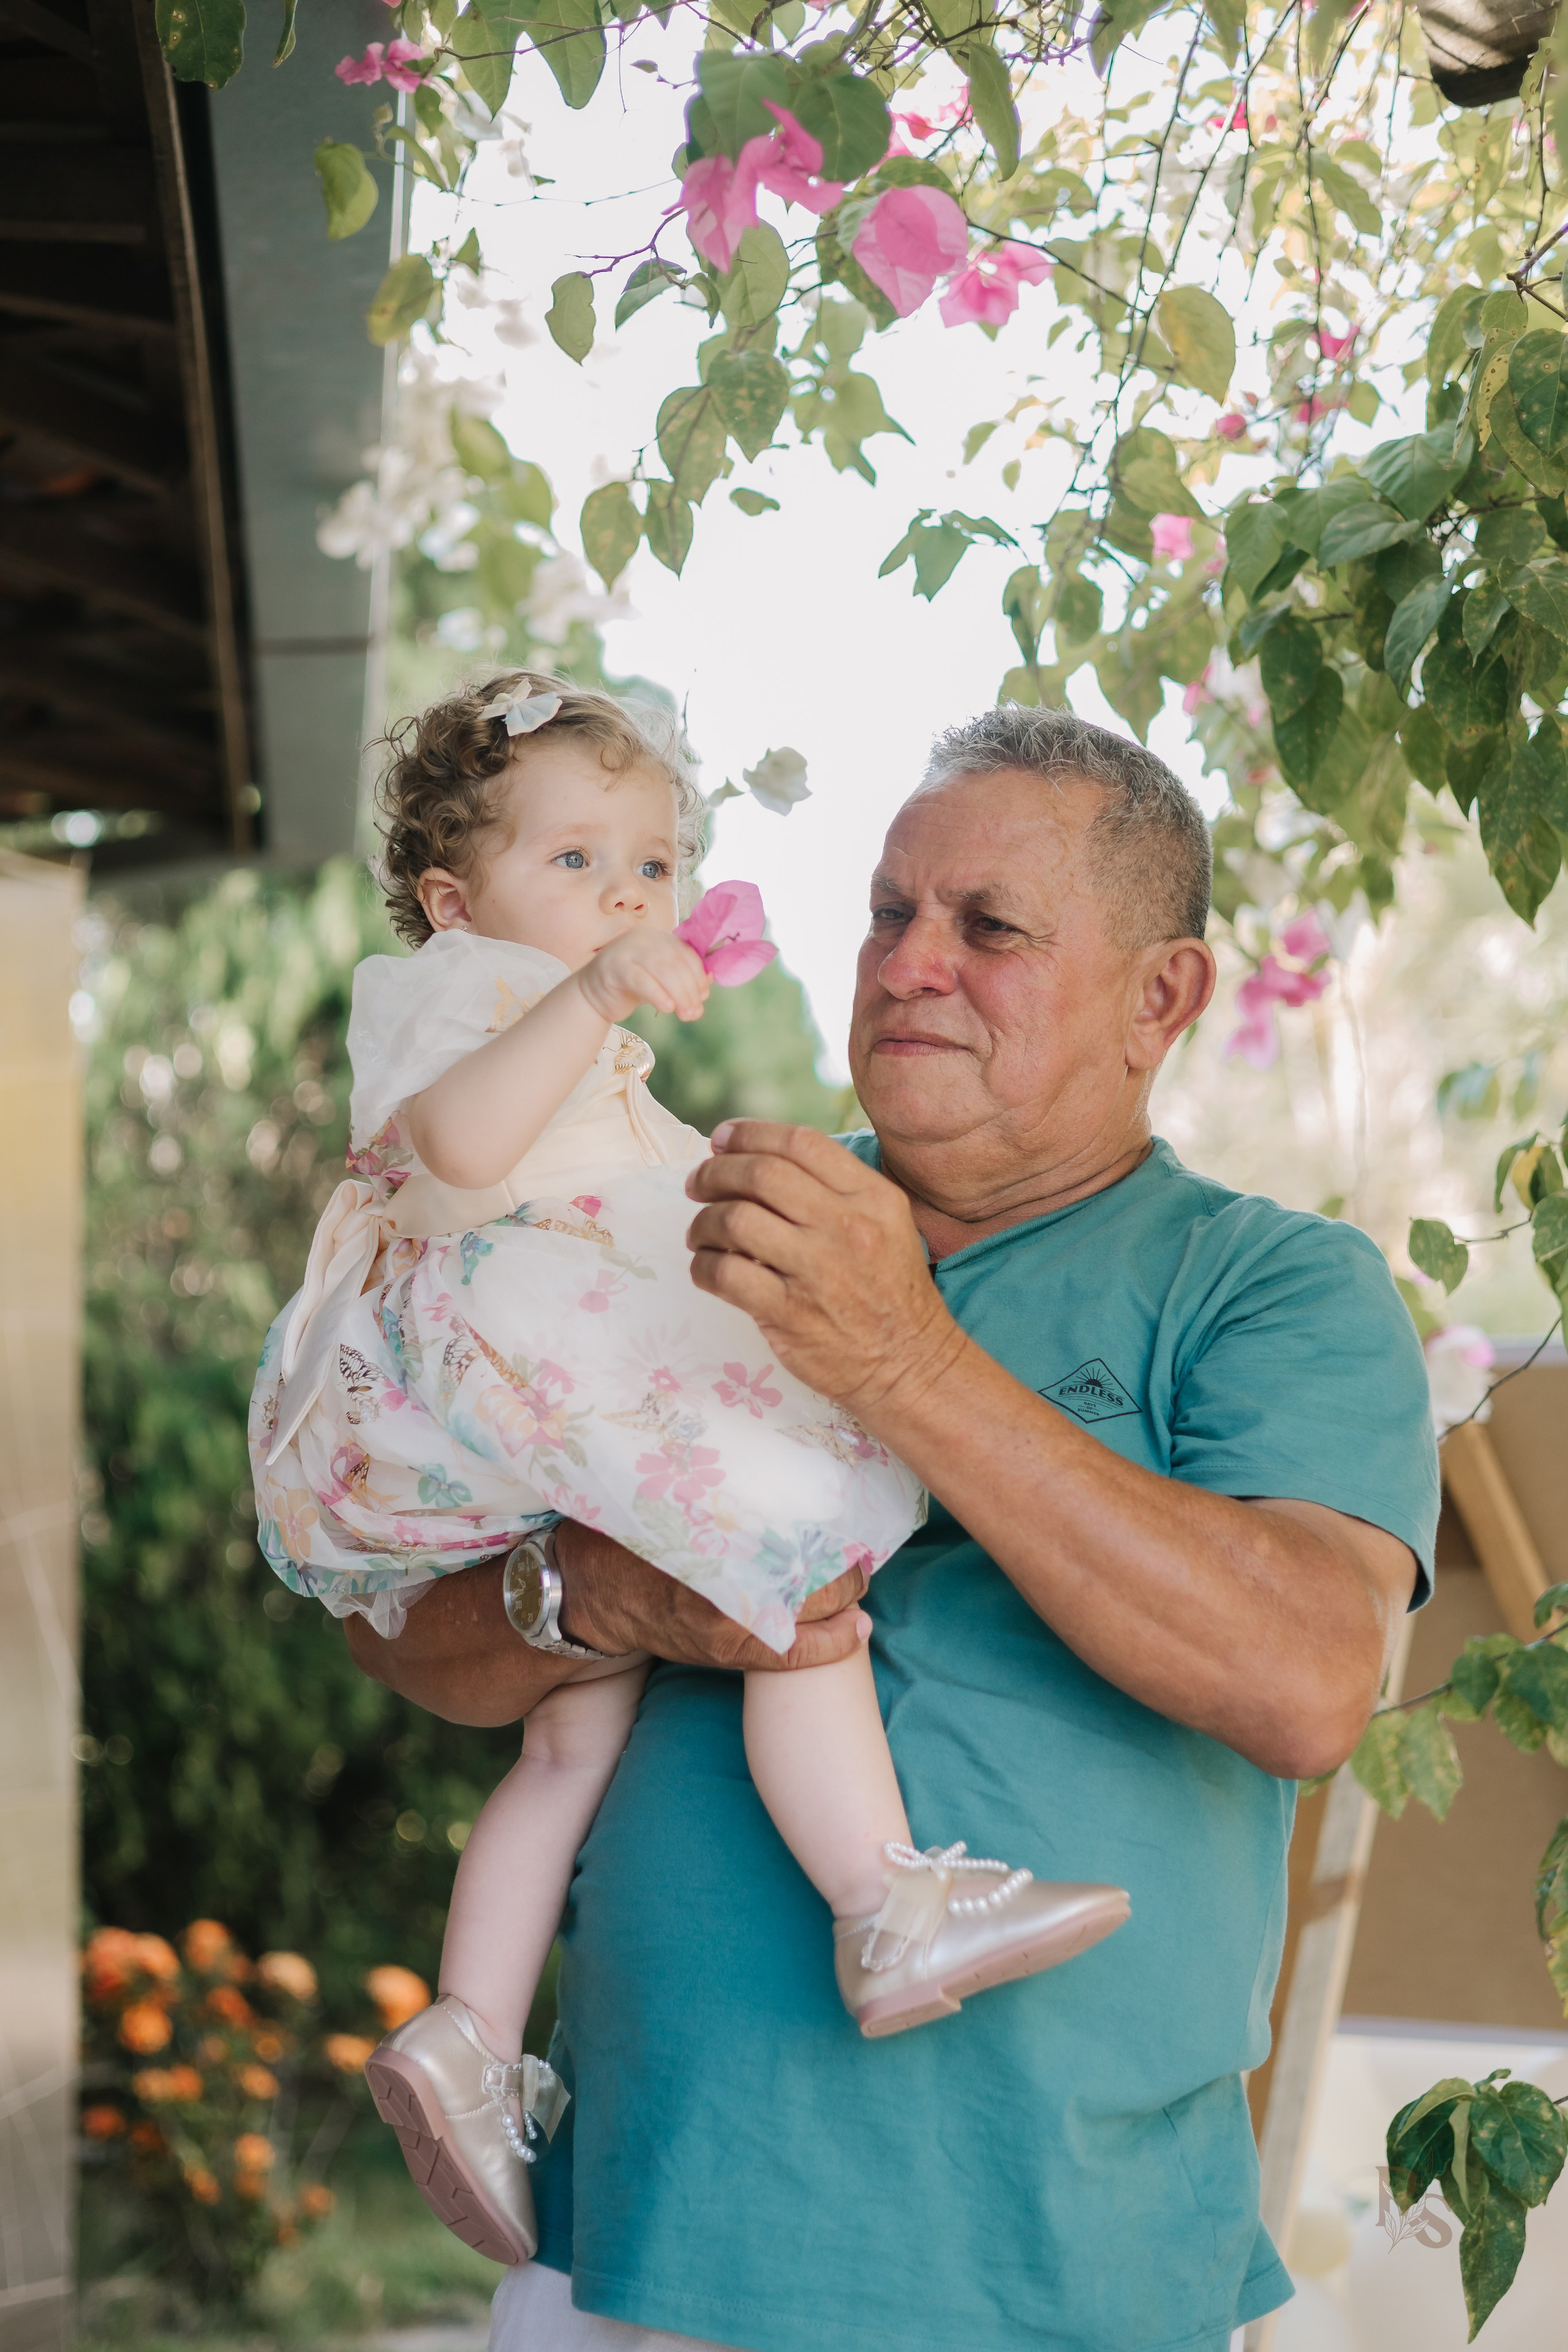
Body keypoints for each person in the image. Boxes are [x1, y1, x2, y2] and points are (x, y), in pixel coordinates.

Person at [344, 707, 1440, 2352]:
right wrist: (596, 1591)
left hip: (1038, 2281)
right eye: (887, 913)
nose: (912, 963)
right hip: (625, 2246)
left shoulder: (1274, 1284)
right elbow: (408, 1631)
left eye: (988, 927)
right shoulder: (701, 1214)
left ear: (1163, 1000)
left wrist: (903, 1358)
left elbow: (1308, 1678)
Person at [251, 676, 1129, 2271]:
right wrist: (588, 999)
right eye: (579, 859)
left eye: (651, 864)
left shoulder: (533, 996)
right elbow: (453, 1154)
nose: (628, 897)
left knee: (572, 1735)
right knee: (800, 1544)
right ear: (457, 897)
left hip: (525, 1391)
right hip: (518, 1343)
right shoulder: (465, 992)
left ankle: (466, 2031)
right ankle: (887, 1901)